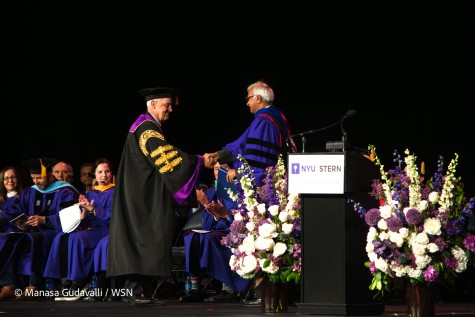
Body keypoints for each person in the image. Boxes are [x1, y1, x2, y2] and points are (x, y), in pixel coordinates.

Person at [107, 87, 204, 305]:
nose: (170, 109)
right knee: (145, 239)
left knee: (148, 239)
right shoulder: (147, 129)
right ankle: (135, 290)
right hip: (143, 197)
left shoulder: (146, 127)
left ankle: (142, 290)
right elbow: (167, 159)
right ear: (152, 105)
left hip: (142, 192)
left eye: (170, 105)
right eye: (166, 105)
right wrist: (197, 160)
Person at [0, 158, 79, 300]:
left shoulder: (64, 191)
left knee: (35, 238)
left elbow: (71, 215)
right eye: (33, 178)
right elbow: (15, 209)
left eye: (39, 178)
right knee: (9, 237)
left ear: (50, 175)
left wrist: (45, 220)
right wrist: (13, 218)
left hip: (52, 232)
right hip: (30, 230)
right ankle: (10, 285)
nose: (36, 182)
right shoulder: (30, 192)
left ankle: (34, 285)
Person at [43, 158, 113, 301]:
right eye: (100, 172)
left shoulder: (117, 192)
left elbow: (115, 217)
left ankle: (78, 281)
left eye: (107, 171)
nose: (104, 175)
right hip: (91, 228)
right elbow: (85, 216)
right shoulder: (91, 193)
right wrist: (82, 214)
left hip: (106, 229)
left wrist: (93, 209)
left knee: (78, 238)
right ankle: (63, 279)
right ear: (95, 175)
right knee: (64, 235)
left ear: (111, 174)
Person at [179, 163, 249, 303]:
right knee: (192, 237)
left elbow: (246, 217)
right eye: (216, 169)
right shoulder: (211, 192)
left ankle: (228, 289)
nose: (219, 173)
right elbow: (207, 223)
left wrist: (225, 215)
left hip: (236, 231)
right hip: (215, 230)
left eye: (223, 168)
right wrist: (206, 205)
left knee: (213, 238)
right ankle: (195, 288)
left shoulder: (241, 190)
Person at [204, 80, 296, 186]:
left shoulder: (264, 121)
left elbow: (259, 158)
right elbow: (242, 143)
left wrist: (239, 172)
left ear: (258, 98)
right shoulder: (277, 116)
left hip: (269, 188)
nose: (247, 103)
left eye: (248, 98)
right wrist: (217, 155)